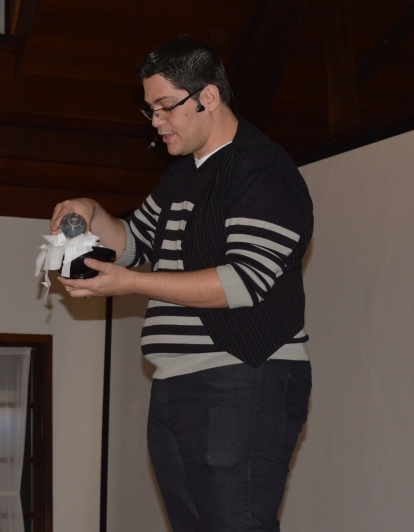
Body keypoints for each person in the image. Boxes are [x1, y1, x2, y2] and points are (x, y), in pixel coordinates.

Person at [51, 36, 313, 532]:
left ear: (208, 97)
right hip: (176, 382)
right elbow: (132, 243)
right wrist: (91, 211)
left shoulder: (262, 168)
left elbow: (243, 282)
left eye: (165, 107)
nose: (156, 122)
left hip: (243, 378)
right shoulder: (182, 176)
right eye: (150, 110)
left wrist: (131, 283)